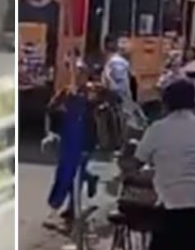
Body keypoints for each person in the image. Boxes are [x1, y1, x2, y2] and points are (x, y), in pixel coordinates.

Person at [125, 79, 195, 250]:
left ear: (166, 102)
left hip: (174, 203)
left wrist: (128, 164)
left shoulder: (158, 129)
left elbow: (134, 165)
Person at [44, 59, 99, 226]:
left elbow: (99, 105)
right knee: (64, 175)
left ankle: (70, 209)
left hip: (84, 142)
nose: (78, 76)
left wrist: (87, 95)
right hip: (67, 141)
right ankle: (58, 208)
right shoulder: (66, 92)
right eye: (76, 72)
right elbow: (50, 110)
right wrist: (50, 133)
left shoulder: (91, 93)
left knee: (75, 176)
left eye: (82, 73)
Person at [103, 37, 146, 130]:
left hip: (121, 100)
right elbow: (122, 85)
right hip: (122, 101)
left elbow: (121, 84)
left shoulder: (117, 62)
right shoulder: (118, 62)